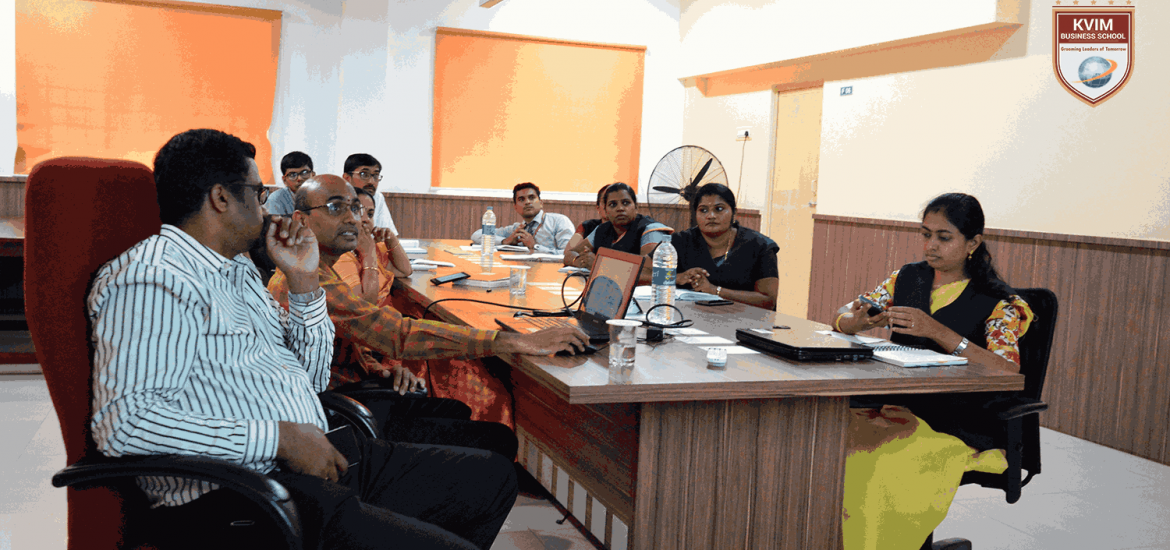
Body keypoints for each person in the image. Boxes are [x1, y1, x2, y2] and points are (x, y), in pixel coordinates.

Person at [89, 129, 538, 550]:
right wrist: (279, 439)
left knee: (492, 478)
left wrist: (305, 284)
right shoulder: (153, 281)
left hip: (311, 456)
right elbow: (124, 424)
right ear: (221, 198)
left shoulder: (237, 269)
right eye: (258, 193)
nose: (267, 208)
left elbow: (311, 377)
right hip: (244, 494)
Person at [268, 174, 589, 449]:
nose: (353, 219)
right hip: (337, 413)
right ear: (301, 219)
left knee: (457, 412)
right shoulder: (307, 280)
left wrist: (379, 368)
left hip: (355, 387)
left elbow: (344, 337)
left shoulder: (320, 269)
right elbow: (397, 334)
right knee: (496, 439)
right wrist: (517, 341)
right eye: (336, 208)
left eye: (356, 208)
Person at [834, 192, 1036, 549]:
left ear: (973, 242)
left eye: (944, 238)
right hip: (895, 406)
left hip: (955, 420)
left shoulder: (999, 302)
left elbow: (1007, 369)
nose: (931, 246)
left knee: (876, 467)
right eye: (925, 234)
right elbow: (842, 317)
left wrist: (939, 333)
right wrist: (858, 322)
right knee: (829, 449)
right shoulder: (905, 279)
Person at [671, 184, 779, 309]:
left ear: (734, 212)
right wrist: (678, 277)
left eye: (719, 209)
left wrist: (714, 290)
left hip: (745, 323)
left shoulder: (760, 246)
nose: (711, 215)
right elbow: (644, 274)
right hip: (688, 322)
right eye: (703, 210)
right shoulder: (680, 241)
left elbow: (768, 301)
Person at [563, 182, 673, 283]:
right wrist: (581, 261)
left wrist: (599, 265)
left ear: (636, 207)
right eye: (613, 204)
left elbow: (651, 272)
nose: (620, 208)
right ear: (605, 211)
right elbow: (569, 254)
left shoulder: (650, 230)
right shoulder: (601, 229)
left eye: (626, 203)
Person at [470, 182, 574, 253]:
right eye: (521, 199)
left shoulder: (559, 221)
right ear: (515, 207)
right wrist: (505, 241)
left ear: (541, 203)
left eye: (531, 198)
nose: (527, 202)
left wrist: (536, 247)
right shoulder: (516, 229)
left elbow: (568, 254)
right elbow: (477, 234)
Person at [342, 153, 398, 234]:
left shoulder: (377, 198)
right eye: (364, 174)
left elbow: (389, 235)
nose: (371, 182)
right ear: (347, 178)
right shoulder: (336, 198)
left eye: (376, 175)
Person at [562, 184, 610, 267]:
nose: (608, 206)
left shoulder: (636, 229)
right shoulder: (589, 226)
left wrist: (595, 263)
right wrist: (579, 261)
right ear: (598, 208)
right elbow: (568, 253)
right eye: (605, 202)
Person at [266, 150, 315, 217]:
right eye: (292, 175)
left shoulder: (322, 195)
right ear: (284, 180)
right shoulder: (276, 199)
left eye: (304, 173)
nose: (299, 178)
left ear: (313, 175)